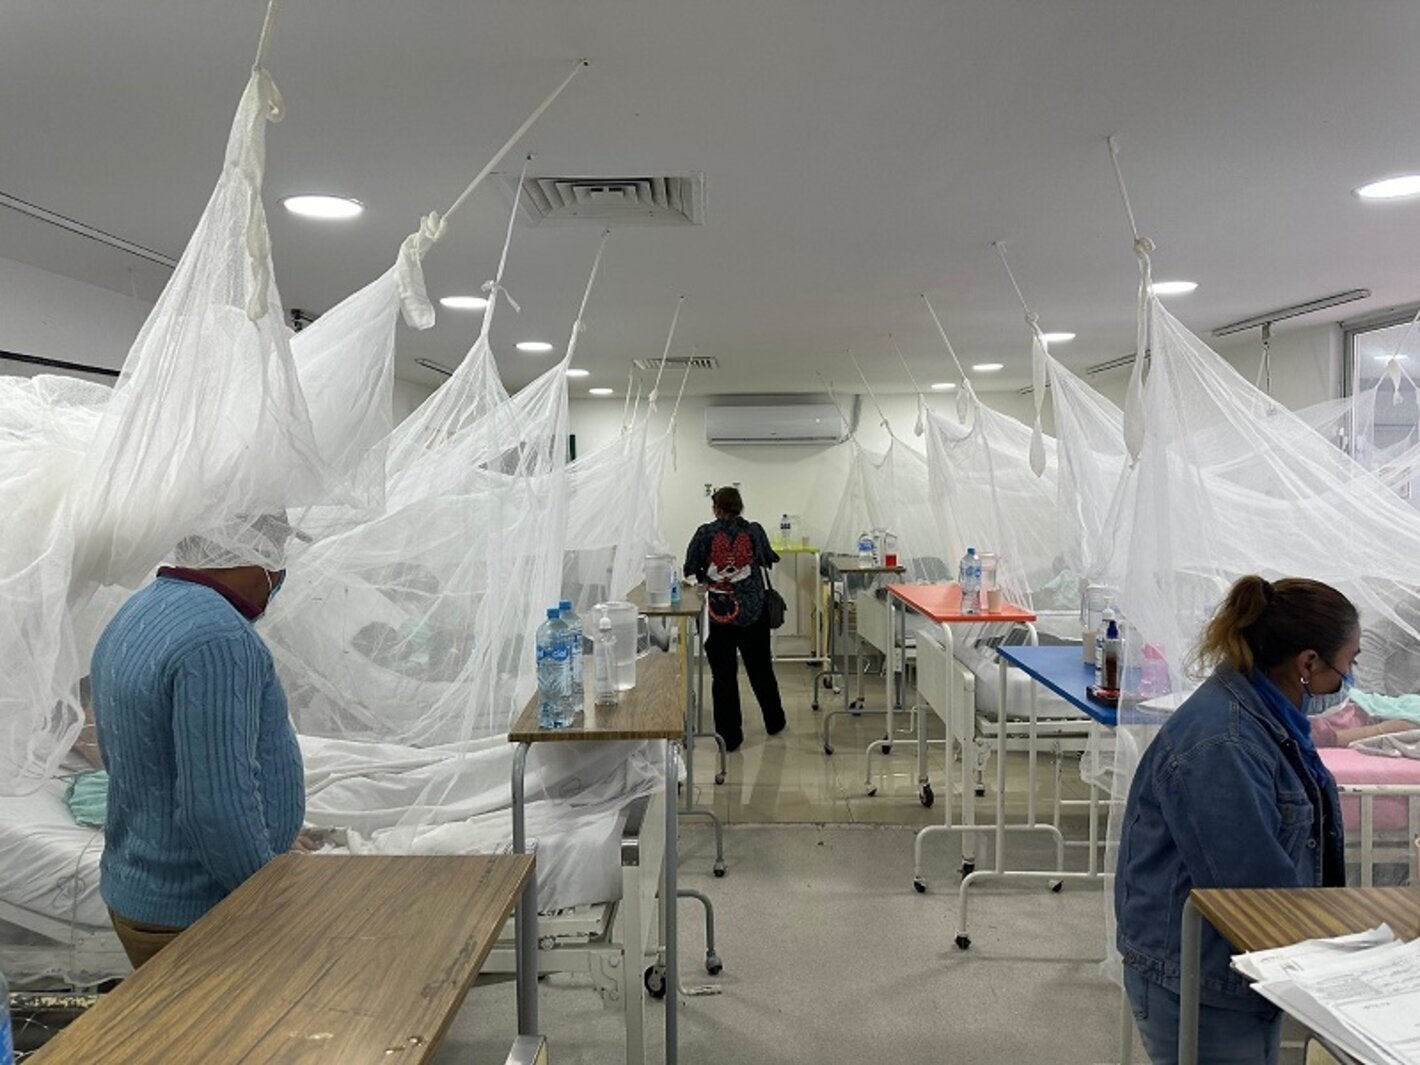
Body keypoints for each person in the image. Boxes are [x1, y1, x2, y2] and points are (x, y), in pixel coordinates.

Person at [1116, 575, 1354, 1065]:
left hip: (1235, 971)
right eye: (1345, 667)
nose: (1346, 683)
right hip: (1203, 982)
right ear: (1307, 663)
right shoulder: (1224, 745)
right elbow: (1250, 894)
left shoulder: (1268, 718)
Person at [92, 514, 309, 969]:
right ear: (258, 558)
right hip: (202, 912)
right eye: (277, 558)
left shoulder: (143, 609)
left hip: (140, 883)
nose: (278, 579)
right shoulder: (218, 639)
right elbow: (216, 804)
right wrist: (270, 893)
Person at [683, 486, 787, 752]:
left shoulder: (705, 533)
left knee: (724, 676)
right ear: (740, 506)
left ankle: (729, 737)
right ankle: (774, 721)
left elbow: (691, 567)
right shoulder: (754, 530)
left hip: (719, 613)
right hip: (754, 611)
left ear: (716, 507)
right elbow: (768, 559)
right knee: (761, 669)